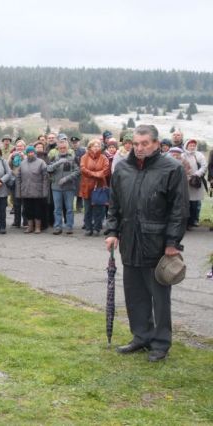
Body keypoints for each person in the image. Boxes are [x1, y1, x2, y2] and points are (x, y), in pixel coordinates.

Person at [105, 124, 188, 362]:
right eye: (136, 143)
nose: (139, 148)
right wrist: (112, 231)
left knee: (159, 296)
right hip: (129, 240)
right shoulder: (122, 168)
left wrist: (173, 242)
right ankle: (141, 336)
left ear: (156, 143)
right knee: (135, 293)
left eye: (145, 143)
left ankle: (161, 343)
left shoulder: (172, 168)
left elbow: (179, 209)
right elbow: (114, 205)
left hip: (158, 243)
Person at [78, 139, 110, 236]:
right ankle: (88, 228)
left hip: (99, 186)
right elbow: (83, 169)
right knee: (88, 209)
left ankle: (97, 228)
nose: (96, 148)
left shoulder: (104, 158)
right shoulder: (84, 157)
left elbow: (106, 170)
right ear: (90, 147)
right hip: (87, 186)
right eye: (94, 146)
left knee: (99, 209)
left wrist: (95, 174)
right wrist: (95, 174)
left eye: (98, 146)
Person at [47, 139, 79, 235]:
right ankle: (58, 227)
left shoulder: (73, 158)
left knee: (69, 208)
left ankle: (69, 227)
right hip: (56, 188)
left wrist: (66, 179)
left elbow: (78, 171)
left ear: (67, 148)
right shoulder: (54, 158)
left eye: (64, 147)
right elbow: (48, 169)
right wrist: (59, 162)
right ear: (58, 148)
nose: (62, 149)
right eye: (60, 148)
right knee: (57, 209)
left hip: (69, 187)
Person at [16, 145, 48, 234]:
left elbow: (45, 178)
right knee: (27, 210)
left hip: (38, 191)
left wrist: (44, 192)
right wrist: (18, 192)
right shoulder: (22, 163)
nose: (31, 154)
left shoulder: (41, 162)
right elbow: (18, 178)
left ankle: (37, 227)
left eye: (32, 152)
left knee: (38, 210)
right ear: (26, 153)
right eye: (29, 152)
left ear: (35, 152)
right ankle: (30, 227)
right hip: (25, 191)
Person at [182, 139, 207, 229]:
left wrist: (197, 174)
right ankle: (186, 222)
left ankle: (193, 221)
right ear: (186, 146)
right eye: (190, 145)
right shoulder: (183, 155)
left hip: (196, 182)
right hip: (186, 181)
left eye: (193, 145)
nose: (192, 147)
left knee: (195, 203)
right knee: (186, 203)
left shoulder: (199, 155)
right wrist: (187, 176)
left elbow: (204, 166)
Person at [8, 140, 27, 228]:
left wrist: (23, 157)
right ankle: (17, 221)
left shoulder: (27, 155)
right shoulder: (12, 155)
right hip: (15, 180)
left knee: (25, 202)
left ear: (24, 147)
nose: (19, 148)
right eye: (17, 146)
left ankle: (26, 221)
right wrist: (11, 158)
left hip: (25, 181)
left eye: (21, 146)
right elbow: (9, 166)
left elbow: (28, 165)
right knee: (16, 203)